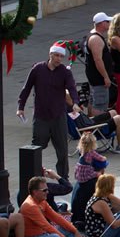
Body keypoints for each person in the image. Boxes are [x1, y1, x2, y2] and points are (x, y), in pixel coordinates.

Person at [17, 42, 82, 180]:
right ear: (50, 54)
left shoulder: (65, 72)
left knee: (62, 150)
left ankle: (63, 177)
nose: (59, 59)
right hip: (41, 116)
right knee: (37, 147)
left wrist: (76, 103)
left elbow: (72, 88)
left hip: (58, 116)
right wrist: (20, 107)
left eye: (61, 56)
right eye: (56, 55)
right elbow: (26, 88)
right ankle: (35, 175)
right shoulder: (38, 69)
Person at [20, 177, 99, 237]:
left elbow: (57, 218)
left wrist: (74, 230)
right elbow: (47, 227)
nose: (47, 192)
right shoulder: (30, 206)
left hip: (43, 235)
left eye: (47, 190)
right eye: (44, 190)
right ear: (35, 192)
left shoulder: (41, 201)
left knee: (66, 228)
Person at [85, 12, 115, 115]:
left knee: (93, 101)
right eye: (107, 22)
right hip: (99, 78)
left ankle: (89, 124)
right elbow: (98, 60)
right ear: (101, 23)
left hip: (94, 77)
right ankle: (98, 127)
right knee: (100, 104)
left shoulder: (94, 36)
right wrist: (106, 77)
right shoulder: (96, 39)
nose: (109, 23)